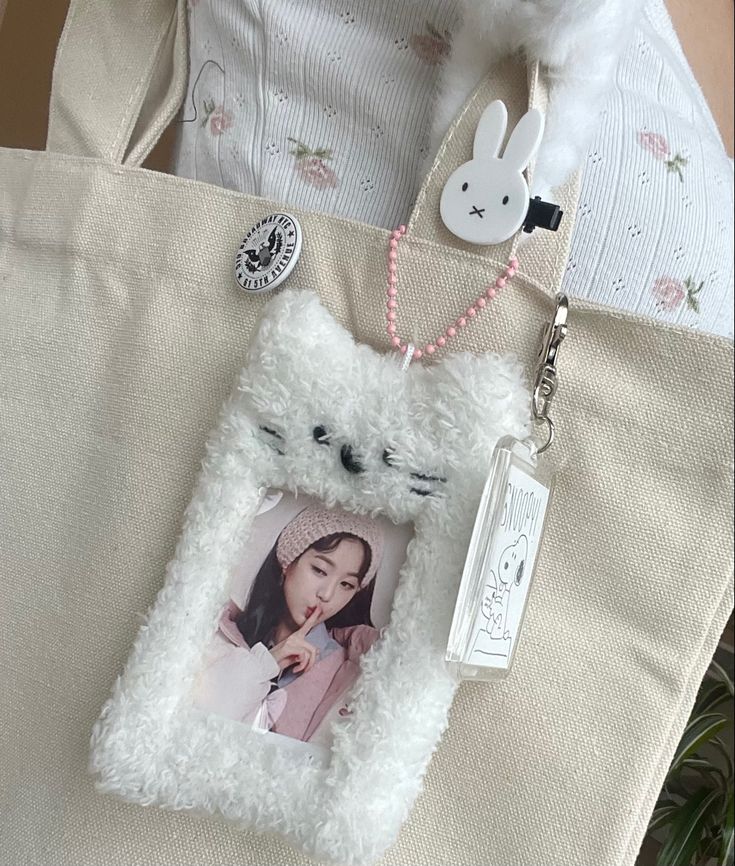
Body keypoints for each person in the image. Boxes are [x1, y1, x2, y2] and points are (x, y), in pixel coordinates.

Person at [192, 503, 384, 743]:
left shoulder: (351, 675)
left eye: (346, 584)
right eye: (320, 570)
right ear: (287, 563)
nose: (327, 594)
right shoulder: (217, 631)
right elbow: (191, 729)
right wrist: (264, 664)